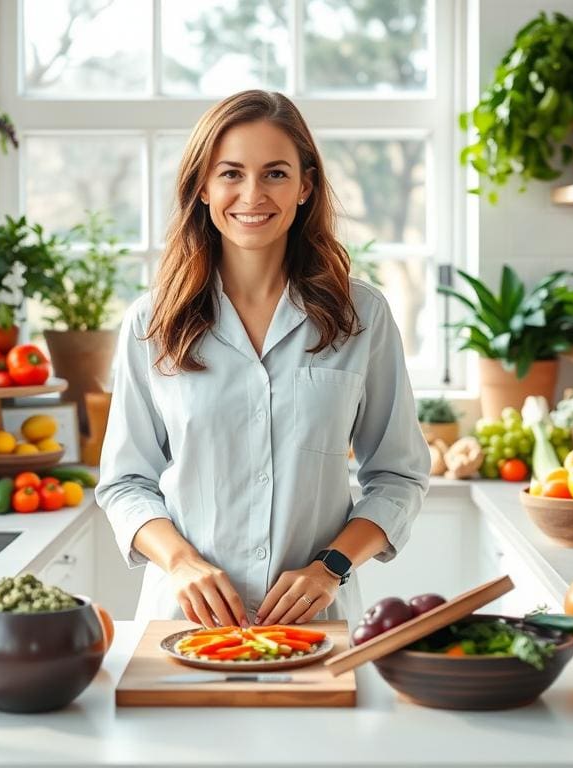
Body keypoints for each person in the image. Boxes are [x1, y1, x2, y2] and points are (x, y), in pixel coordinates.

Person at [96, 90, 430, 629]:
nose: (252, 194)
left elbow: (398, 476)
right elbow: (124, 482)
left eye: (275, 173)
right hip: (183, 624)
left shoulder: (362, 315)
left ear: (305, 187)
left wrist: (331, 566)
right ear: (202, 186)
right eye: (230, 173)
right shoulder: (151, 322)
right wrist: (180, 563)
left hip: (316, 626)